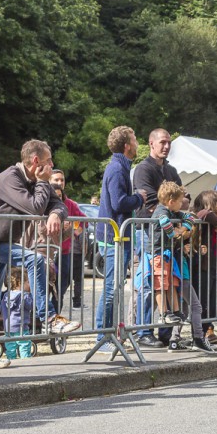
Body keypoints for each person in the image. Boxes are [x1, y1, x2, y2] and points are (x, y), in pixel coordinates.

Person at [0, 139, 78, 368]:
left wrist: (56, 215)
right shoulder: (11, 178)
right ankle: (48, 319)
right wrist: (41, 183)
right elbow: (35, 207)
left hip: (5, 242)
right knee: (35, 260)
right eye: (49, 160)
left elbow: (59, 204)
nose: (52, 164)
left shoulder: (38, 181)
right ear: (36, 161)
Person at [148, 182, 214, 352]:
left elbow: (190, 218)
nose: (182, 204)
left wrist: (183, 228)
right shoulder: (162, 211)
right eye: (180, 201)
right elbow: (165, 224)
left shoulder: (173, 212)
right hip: (159, 253)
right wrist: (175, 233)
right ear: (171, 201)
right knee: (162, 285)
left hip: (170, 256)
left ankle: (175, 333)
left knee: (173, 287)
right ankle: (171, 319)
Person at [94, 126, 144, 348]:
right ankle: (102, 337)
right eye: (134, 139)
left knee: (114, 288)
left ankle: (110, 334)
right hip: (113, 238)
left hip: (119, 237)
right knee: (111, 289)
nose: (137, 143)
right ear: (127, 145)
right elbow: (118, 202)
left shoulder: (121, 167)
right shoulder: (116, 169)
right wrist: (139, 198)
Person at [131, 129, 181, 347]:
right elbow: (149, 199)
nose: (166, 146)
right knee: (150, 283)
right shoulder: (143, 169)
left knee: (169, 283)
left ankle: (166, 331)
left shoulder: (171, 170)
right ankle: (143, 331)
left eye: (169, 142)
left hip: (167, 236)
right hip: (147, 232)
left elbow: (183, 197)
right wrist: (172, 206)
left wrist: (176, 203)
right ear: (151, 144)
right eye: (162, 142)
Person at [188, 190, 217, 344]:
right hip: (201, 267)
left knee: (216, 303)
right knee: (201, 302)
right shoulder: (200, 216)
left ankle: (206, 329)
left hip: (215, 266)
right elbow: (203, 214)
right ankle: (199, 334)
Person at [51, 169, 85, 312]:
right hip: (45, 250)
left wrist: (75, 231)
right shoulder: (43, 199)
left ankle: (55, 313)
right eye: (56, 180)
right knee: (43, 285)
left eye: (62, 180)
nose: (60, 183)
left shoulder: (70, 203)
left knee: (63, 283)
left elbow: (84, 220)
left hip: (64, 251)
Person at [0, 267, 35, 360]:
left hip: (8, 327)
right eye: (28, 282)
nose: (30, 284)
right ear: (20, 283)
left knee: (10, 346)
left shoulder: (6, 295)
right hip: (21, 327)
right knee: (24, 345)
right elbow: (31, 306)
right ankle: (25, 360)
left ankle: (11, 359)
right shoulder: (24, 296)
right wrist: (32, 295)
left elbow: (1, 308)